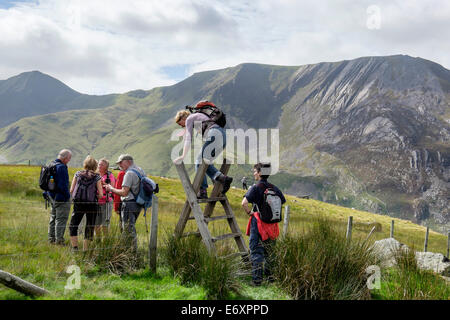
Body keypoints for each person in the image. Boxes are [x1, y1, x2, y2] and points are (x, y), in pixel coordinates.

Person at [173, 105, 232, 199]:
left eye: (180, 123)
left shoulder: (189, 119)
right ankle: (223, 179)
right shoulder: (199, 116)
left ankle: (202, 191)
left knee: (198, 162)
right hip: (223, 136)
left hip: (215, 134)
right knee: (206, 163)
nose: (181, 126)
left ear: (183, 118)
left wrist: (183, 156)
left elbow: (188, 139)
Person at [242, 163, 286, 286]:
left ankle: (257, 282)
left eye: (255, 171)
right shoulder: (275, 188)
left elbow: (244, 203)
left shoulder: (256, 188)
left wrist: (250, 213)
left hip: (259, 224)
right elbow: (282, 201)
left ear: (260, 173)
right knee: (270, 252)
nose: (254, 173)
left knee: (256, 251)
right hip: (272, 225)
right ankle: (271, 279)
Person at [105, 154, 145, 250]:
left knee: (128, 229)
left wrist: (111, 188)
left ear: (128, 162)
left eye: (120, 163)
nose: (119, 165)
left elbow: (124, 192)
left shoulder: (129, 173)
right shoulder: (140, 170)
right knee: (131, 227)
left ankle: (131, 253)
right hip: (138, 203)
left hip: (129, 203)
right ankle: (131, 251)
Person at [69, 155, 103, 251]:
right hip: (92, 205)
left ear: (85, 164)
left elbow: (71, 190)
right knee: (89, 226)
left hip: (78, 204)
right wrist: (94, 196)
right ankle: (85, 250)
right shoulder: (97, 177)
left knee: (73, 225)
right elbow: (101, 194)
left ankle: (75, 248)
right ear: (95, 166)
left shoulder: (77, 174)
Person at [47, 149, 72, 245]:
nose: (69, 160)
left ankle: (51, 239)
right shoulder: (61, 167)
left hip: (52, 196)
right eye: (69, 158)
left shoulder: (51, 164)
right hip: (61, 198)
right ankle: (59, 241)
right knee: (61, 219)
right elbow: (63, 185)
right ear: (65, 158)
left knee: (53, 218)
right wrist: (67, 196)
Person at [96, 158, 116, 237]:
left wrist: (103, 183)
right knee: (96, 224)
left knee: (105, 223)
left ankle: (106, 241)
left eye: (102, 165)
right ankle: (97, 240)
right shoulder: (95, 174)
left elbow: (112, 188)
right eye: (99, 164)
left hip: (106, 202)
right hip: (96, 202)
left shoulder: (110, 175)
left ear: (106, 167)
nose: (99, 166)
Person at [113, 168, 125, 232]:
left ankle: (124, 241)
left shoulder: (122, 174)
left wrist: (116, 206)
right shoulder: (136, 171)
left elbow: (118, 189)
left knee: (122, 225)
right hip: (136, 203)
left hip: (122, 202)